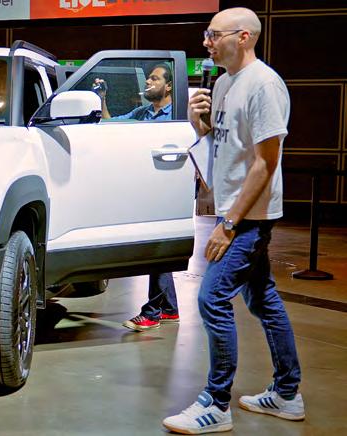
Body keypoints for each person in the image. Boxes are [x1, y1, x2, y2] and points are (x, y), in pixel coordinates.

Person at [162, 7, 304, 434]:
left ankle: (216, 402)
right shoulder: (224, 83)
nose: (206, 42)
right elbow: (225, 146)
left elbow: (266, 162)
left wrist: (230, 225)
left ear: (243, 37)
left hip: (249, 217)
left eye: (214, 34)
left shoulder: (264, 85)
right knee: (262, 299)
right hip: (231, 210)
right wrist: (199, 124)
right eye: (207, 34)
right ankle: (286, 393)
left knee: (211, 298)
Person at [93, 64, 180, 332]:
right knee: (160, 249)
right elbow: (109, 124)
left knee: (157, 249)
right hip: (145, 188)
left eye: (154, 78)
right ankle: (170, 309)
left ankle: (152, 312)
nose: (148, 82)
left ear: (168, 86)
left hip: (168, 189)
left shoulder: (176, 115)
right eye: (149, 78)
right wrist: (102, 98)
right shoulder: (142, 113)